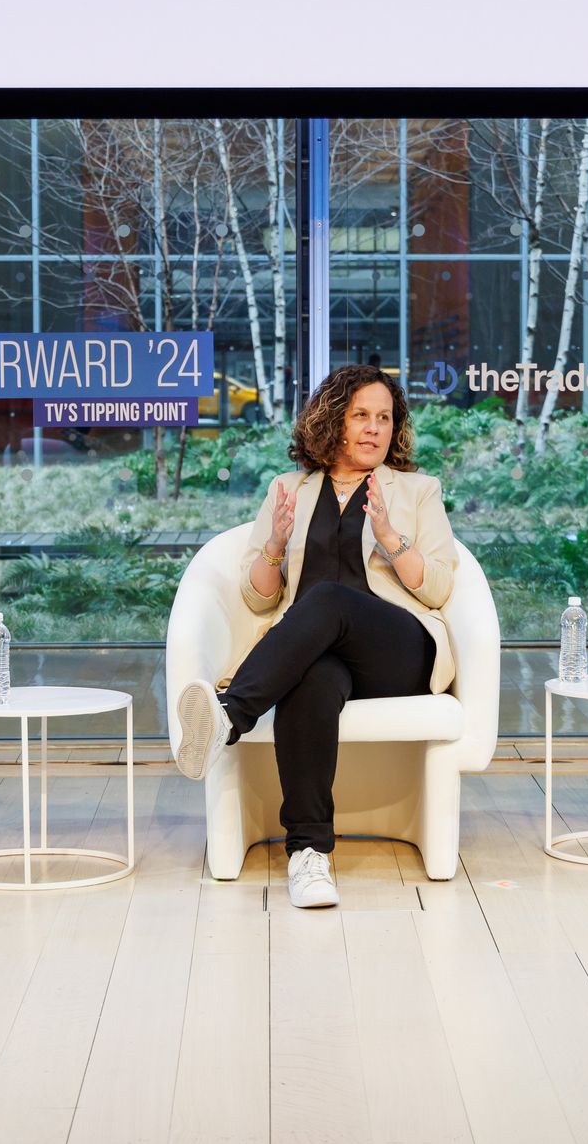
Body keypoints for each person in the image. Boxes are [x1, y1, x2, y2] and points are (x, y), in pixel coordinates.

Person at [173, 365, 457, 909]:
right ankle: (309, 855)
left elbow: (440, 588)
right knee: (312, 682)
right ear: (333, 422)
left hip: (398, 649)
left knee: (326, 599)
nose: (374, 429)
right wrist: (276, 543)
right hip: (326, 655)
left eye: (384, 418)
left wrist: (393, 541)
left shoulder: (418, 491)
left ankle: (230, 715)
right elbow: (259, 597)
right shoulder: (289, 490)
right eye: (361, 416)